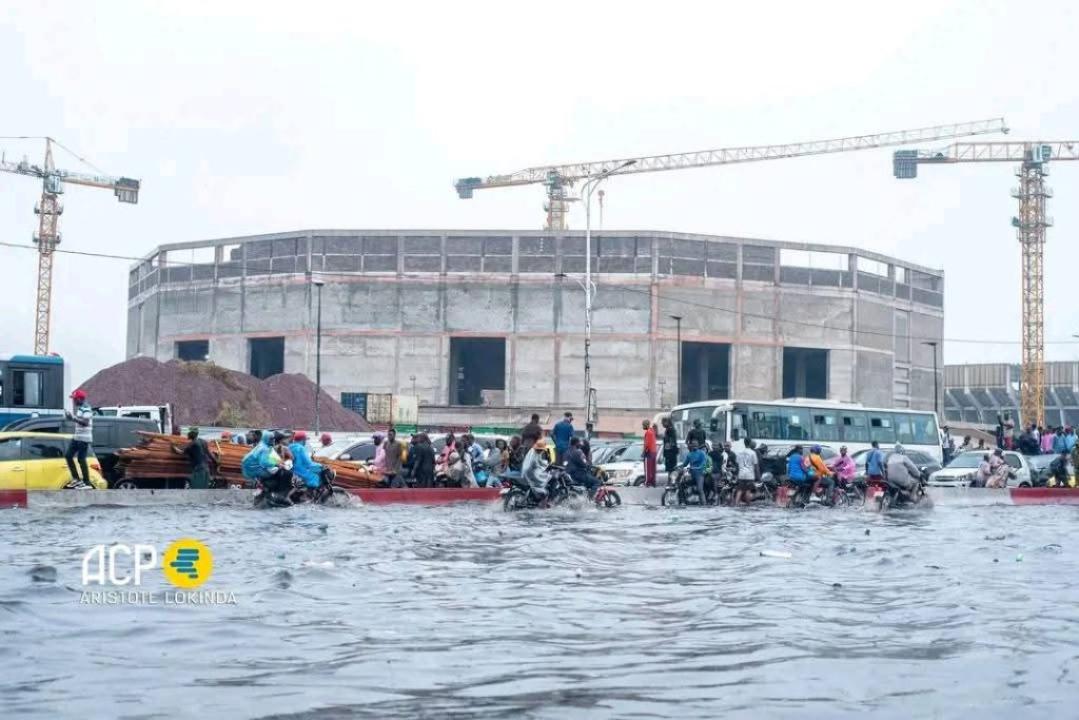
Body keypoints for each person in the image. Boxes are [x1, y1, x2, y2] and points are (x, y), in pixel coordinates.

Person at [242, 431, 291, 496]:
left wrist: (280, 463)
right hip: (253, 468)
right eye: (271, 439)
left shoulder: (263, 445)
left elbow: (275, 458)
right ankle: (278, 493)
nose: (272, 440)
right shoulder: (265, 448)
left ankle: (262, 486)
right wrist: (278, 464)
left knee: (275, 470)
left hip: (248, 468)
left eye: (273, 439)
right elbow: (264, 462)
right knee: (279, 472)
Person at [64, 389, 94, 489]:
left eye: (75, 399)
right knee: (68, 456)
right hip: (77, 437)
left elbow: (85, 422)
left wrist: (73, 418)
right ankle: (76, 479)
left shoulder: (86, 408)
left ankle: (87, 482)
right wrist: (70, 418)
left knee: (81, 459)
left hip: (84, 439)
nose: (74, 401)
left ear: (80, 399)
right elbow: (79, 421)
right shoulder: (80, 409)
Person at [733, 438, 761, 506]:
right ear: (750, 443)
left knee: (740, 490)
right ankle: (748, 505)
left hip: (741, 474)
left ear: (744, 443)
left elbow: (736, 465)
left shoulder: (740, 453)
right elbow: (756, 466)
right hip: (749, 475)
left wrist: (737, 475)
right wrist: (759, 477)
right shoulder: (753, 453)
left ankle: (736, 504)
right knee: (748, 490)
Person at [642, 419, 658, 487]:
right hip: (654, 452)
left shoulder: (648, 432)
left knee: (648, 469)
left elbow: (647, 443)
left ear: (646, 425)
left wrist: (644, 451)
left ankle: (647, 482)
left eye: (643, 425)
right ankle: (653, 482)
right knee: (653, 469)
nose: (642, 426)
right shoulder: (652, 431)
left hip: (649, 452)